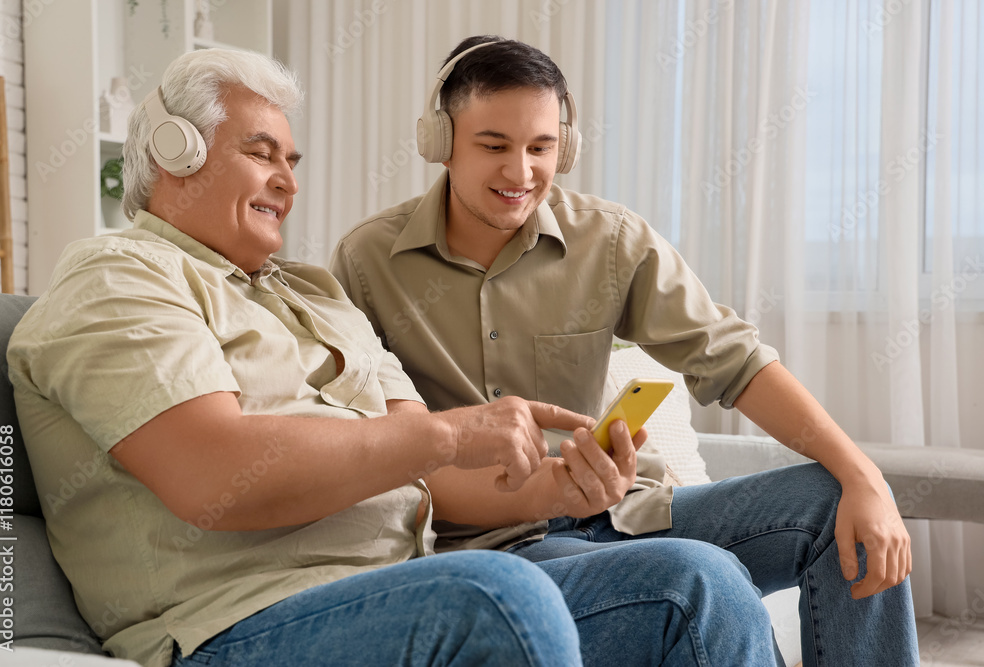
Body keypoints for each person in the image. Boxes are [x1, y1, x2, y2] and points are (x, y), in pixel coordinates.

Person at [6, 48, 780, 667]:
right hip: (238, 621)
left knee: (700, 581)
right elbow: (211, 474)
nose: (288, 180)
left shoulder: (310, 291)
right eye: (262, 154)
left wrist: (555, 491)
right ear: (174, 153)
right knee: (499, 595)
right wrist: (452, 431)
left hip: (402, 585)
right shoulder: (120, 277)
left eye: (294, 160)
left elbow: (425, 472)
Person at [330, 35, 920, 666]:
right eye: (494, 146)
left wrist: (865, 475)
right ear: (440, 143)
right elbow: (367, 451)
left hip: (627, 511)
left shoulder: (610, 243)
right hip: (500, 547)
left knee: (836, 502)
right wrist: (543, 489)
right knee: (700, 576)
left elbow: (736, 359)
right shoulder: (367, 263)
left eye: (541, 147)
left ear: (567, 146)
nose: (521, 172)